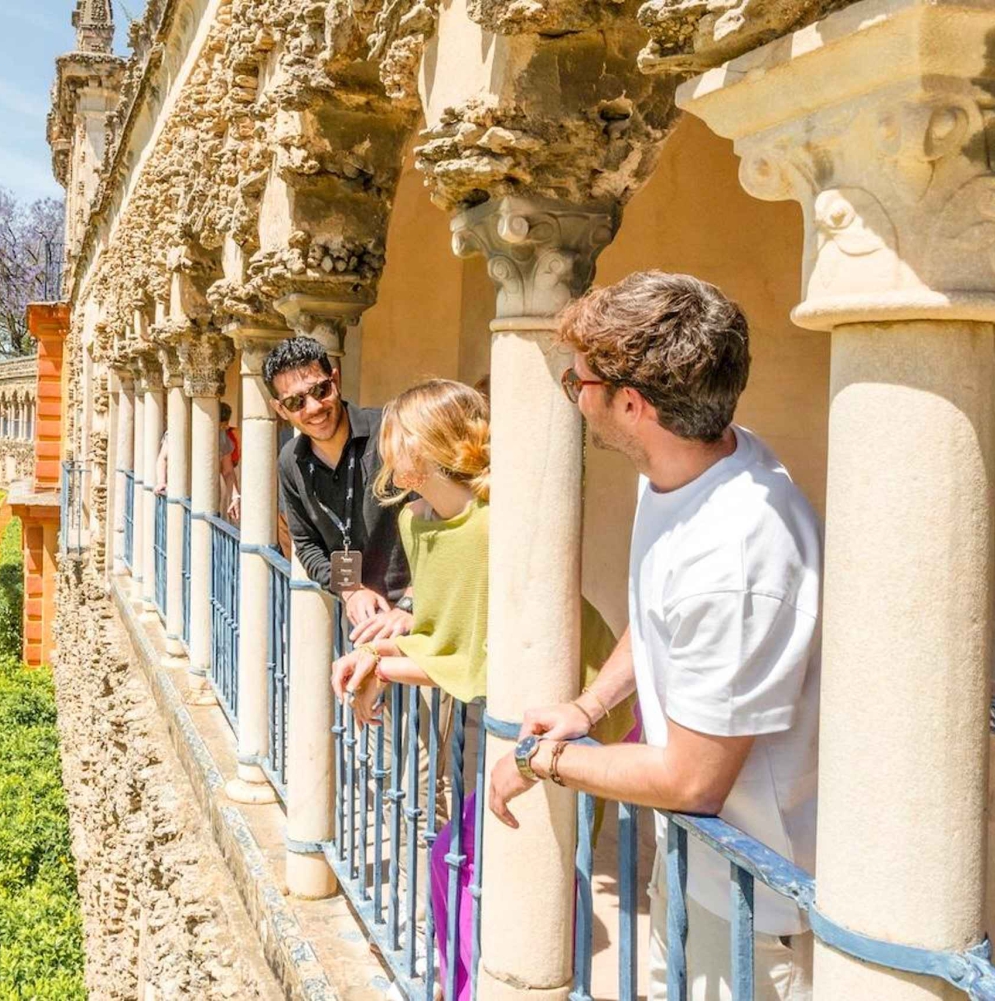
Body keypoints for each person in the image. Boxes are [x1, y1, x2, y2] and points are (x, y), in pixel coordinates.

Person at [486, 271, 821, 1001]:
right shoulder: (688, 464)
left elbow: (692, 781)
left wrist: (544, 759)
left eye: (578, 382)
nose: (575, 397)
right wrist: (588, 705)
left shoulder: (734, 553)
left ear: (632, 404)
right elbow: (657, 615)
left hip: (754, 900)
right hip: (699, 862)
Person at [332, 379, 634, 1001]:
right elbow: (439, 632)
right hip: (523, 705)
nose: (385, 449)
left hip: (577, 700)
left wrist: (376, 668)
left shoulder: (491, 525)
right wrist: (370, 655)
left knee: (537, 871)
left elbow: (470, 662)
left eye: (398, 437)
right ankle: (464, 984)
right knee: (464, 859)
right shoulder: (416, 520)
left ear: (429, 445)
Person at [263, 336, 412, 640]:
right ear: (279, 409)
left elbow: (443, 523)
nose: (313, 407)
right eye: (295, 402)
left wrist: (410, 604)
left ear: (336, 379)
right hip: (362, 622)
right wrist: (351, 590)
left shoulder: (392, 431)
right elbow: (307, 544)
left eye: (320, 390)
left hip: (422, 617)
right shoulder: (290, 462)